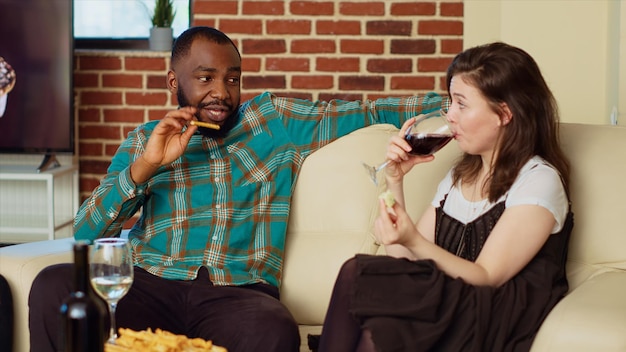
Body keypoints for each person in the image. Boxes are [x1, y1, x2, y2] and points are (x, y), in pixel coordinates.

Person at [28, 26, 445, 352]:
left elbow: (369, 111)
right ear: (174, 82)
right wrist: (145, 167)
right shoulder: (143, 141)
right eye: (206, 78)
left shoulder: (273, 120)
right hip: (150, 284)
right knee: (54, 284)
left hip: (238, 295)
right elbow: (84, 235)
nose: (222, 93)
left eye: (232, 79)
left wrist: (456, 107)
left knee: (273, 327)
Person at [315, 42, 573, 352]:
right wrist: (394, 180)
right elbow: (406, 260)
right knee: (374, 318)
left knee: (361, 281)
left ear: (504, 113)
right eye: (450, 102)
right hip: (450, 302)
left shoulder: (539, 180)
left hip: (494, 317)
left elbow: (486, 276)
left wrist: (412, 239)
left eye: (462, 104)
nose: (449, 115)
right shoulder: (459, 176)